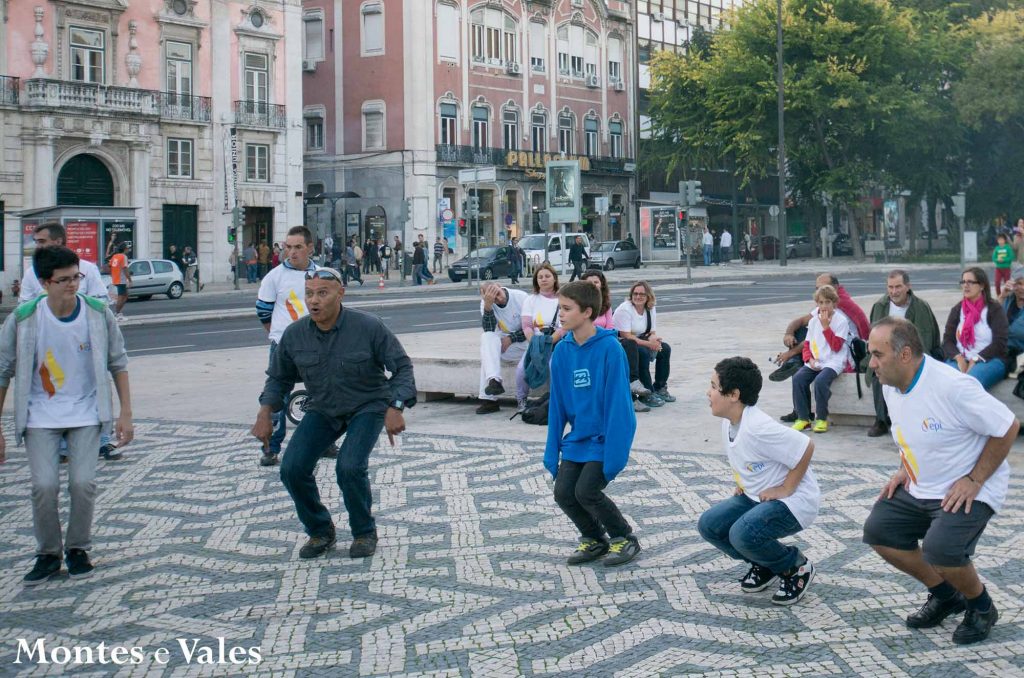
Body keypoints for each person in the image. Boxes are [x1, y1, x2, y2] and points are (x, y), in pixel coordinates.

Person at [863, 317, 1019, 645]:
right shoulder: (890, 384)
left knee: (941, 550)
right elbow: (910, 432)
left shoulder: (952, 386)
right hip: (923, 483)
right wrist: (905, 467)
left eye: (877, 354)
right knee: (879, 531)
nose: (871, 363)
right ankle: (946, 596)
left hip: (970, 486)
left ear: (905, 355)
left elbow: (1007, 425)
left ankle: (981, 607)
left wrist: (975, 479)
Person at [251, 267, 416, 559]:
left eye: (323, 293)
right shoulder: (295, 335)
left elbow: (402, 368)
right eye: (310, 294)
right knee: (292, 468)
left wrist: (396, 407)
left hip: (367, 405)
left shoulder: (368, 327)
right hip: (323, 408)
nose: (314, 300)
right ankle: (320, 530)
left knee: (349, 467)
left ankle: (364, 531)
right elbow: (278, 379)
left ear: (341, 294)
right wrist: (265, 413)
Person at [0, 246, 134, 585]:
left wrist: (125, 414)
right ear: (46, 283)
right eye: (64, 280)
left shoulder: (96, 313)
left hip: (87, 413)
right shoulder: (24, 318)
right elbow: (3, 370)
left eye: (77, 277)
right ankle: (47, 553)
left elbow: (118, 363)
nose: (72, 285)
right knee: (44, 485)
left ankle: (77, 548)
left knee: (83, 483)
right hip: (39, 415)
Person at [700, 356, 818, 605]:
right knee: (709, 525)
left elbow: (806, 446)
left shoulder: (759, 427)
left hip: (794, 502)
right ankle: (764, 563)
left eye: (713, 386)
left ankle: (795, 567)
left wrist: (786, 488)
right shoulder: (729, 421)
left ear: (733, 394)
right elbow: (746, 457)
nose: (707, 392)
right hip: (755, 496)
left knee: (741, 534)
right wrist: (742, 483)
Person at [545, 281, 640, 567]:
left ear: (587, 312)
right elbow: (557, 405)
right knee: (563, 493)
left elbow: (620, 407)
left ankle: (624, 538)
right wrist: (552, 450)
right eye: (559, 308)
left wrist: (615, 452)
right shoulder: (562, 351)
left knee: (586, 491)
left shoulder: (610, 349)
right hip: (578, 440)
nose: (560, 314)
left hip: (603, 440)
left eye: (566, 308)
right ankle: (594, 538)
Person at [255, 225, 336, 466]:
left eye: (298, 247)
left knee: (324, 395)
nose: (291, 252)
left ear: (310, 248)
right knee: (277, 397)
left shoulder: (322, 274)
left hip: (318, 346)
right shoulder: (274, 277)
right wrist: (280, 337)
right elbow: (263, 312)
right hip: (284, 347)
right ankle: (270, 448)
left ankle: (325, 442)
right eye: (288, 247)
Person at [772, 273, 870, 422]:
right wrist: (789, 334)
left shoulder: (840, 312)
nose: (823, 304)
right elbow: (804, 328)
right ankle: (802, 415)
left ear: (835, 290)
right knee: (799, 370)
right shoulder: (821, 309)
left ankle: (816, 415)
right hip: (820, 354)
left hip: (839, 354)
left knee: (814, 377)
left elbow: (836, 346)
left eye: (825, 288)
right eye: (818, 289)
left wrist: (790, 353)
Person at [864, 270, 940, 438]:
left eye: (898, 286)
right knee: (878, 373)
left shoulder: (920, 307)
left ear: (908, 287)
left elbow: (925, 338)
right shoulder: (880, 306)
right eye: (890, 287)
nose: (894, 291)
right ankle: (881, 420)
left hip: (910, 356)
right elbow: (873, 335)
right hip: (886, 355)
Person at [790, 284, 852, 434]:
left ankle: (822, 418)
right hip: (816, 361)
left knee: (820, 381)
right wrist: (808, 359)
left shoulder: (841, 321)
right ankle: (803, 418)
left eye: (828, 302)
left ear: (834, 303)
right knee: (798, 378)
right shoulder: (813, 322)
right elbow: (807, 344)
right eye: (821, 302)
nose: (824, 306)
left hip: (834, 361)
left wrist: (826, 327)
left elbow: (836, 346)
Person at [942, 267, 1009, 391]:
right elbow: (947, 340)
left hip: (990, 360)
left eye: (970, 282)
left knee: (969, 385)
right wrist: (959, 358)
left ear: (982, 285)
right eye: (963, 282)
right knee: (944, 383)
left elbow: (1000, 342)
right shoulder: (957, 309)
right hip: (960, 357)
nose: (966, 286)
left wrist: (976, 359)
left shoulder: (994, 309)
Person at [613, 281, 675, 408]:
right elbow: (626, 336)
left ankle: (660, 387)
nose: (638, 297)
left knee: (665, 348)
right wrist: (648, 344)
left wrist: (655, 340)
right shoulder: (625, 309)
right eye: (635, 293)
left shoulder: (650, 308)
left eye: (642, 294)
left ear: (648, 296)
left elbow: (651, 331)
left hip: (642, 339)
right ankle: (647, 392)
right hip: (625, 344)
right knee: (643, 353)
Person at [515, 263, 563, 411]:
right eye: (540, 277)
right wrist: (534, 341)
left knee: (551, 366)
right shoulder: (531, 300)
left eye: (547, 276)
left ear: (554, 278)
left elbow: (564, 327)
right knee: (522, 369)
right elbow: (527, 326)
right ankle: (521, 399)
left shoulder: (563, 298)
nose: (543, 279)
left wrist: (549, 341)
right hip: (535, 342)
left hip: (556, 342)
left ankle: (555, 400)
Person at [20, 222, 108, 303]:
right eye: (36, 242)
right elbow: (24, 305)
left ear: (58, 241)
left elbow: (100, 301)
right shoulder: (31, 272)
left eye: (42, 241)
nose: (38, 246)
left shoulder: (87, 268)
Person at [475, 282, 529, 415]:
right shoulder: (487, 303)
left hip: (526, 343)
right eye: (493, 298)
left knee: (487, 358)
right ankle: (494, 381)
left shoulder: (521, 297)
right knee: (487, 339)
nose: (498, 299)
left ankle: (489, 400)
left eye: (498, 293)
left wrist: (511, 339)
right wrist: (488, 306)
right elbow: (489, 329)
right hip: (506, 346)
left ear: (500, 286)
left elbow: (531, 327)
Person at [998, 267, 1024, 359]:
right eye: (1019, 283)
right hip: (1003, 352)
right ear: (1013, 284)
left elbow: (1016, 332)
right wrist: (1002, 297)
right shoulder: (1008, 300)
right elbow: (990, 320)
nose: (1022, 288)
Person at [108, 243, 131, 322]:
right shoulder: (124, 257)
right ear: (124, 249)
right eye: (127, 248)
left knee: (125, 295)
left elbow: (110, 266)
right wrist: (130, 279)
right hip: (121, 280)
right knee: (121, 297)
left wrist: (112, 275)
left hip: (116, 279)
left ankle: (118, 313)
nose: (128, 249)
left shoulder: (115, 256)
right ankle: (117, 314)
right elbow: (125, 269)